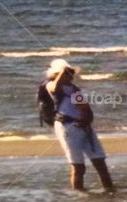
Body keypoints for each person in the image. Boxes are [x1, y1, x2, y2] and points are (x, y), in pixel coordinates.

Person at [45, 58, 115, 192]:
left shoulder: (73, 88)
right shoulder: (52, 85)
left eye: (71, 73)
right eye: (67, 73)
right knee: (78, 166)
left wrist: (88, 118)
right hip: (69, 127)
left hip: (84, 127)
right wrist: (62, 71)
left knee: (100, 163)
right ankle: (80, 195)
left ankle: (110, 191)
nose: (71, 76)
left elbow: (83, 106)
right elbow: (54, 88)